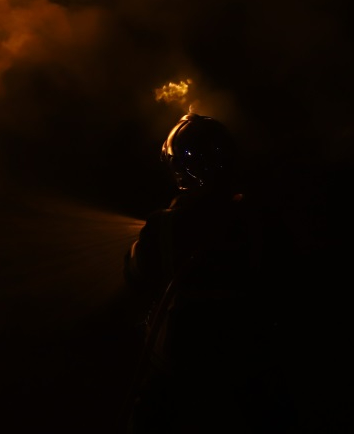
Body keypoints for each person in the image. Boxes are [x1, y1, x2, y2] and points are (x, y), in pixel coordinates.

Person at [124, 114, 289, 432]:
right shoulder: (260, 219)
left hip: (182, 367)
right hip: (250, 360)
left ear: (178, 166)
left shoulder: (163, 224)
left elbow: (136, 276)